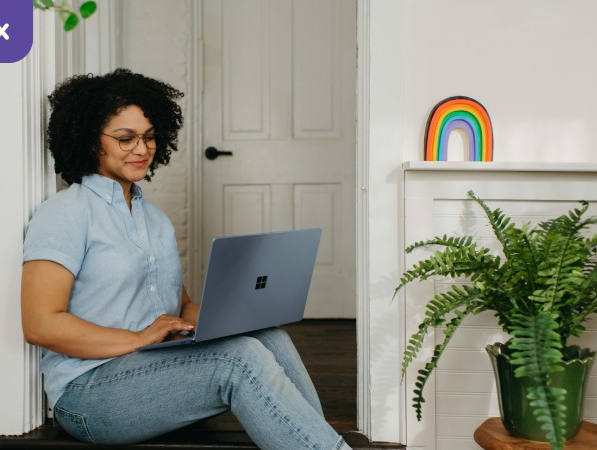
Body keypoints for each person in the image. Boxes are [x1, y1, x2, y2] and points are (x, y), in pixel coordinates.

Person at [20, 68, 352, 450]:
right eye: (125, 139)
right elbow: (40, 324)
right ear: (88, 140)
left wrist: (245, 315)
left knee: (267, 337)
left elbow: (182, 307)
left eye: (148, 137)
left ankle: (319, 441)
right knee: (239, 359)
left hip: (152, 366)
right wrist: (137, 338)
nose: (142, 149)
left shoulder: (155, 221)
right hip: (88, 392)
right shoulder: (65, 213)